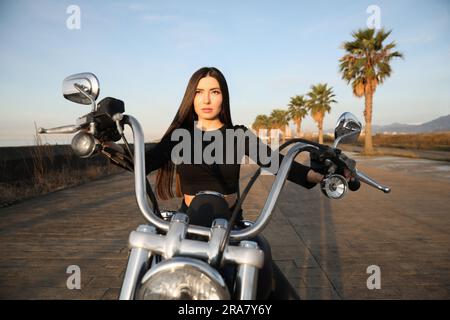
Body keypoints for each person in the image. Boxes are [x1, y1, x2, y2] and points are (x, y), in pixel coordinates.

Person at [143, 67, 325, 299]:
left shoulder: (238, 135)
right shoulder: (181, 135)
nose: (206, 99)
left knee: (264, 263)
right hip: (187, 221)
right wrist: (104, 143)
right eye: (199, 92)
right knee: (151, 267)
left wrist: (321, 175)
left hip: (230, 223)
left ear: (224, 97)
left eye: (214, 91)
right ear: (191, 97)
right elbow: (143, 162)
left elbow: (276, 162)